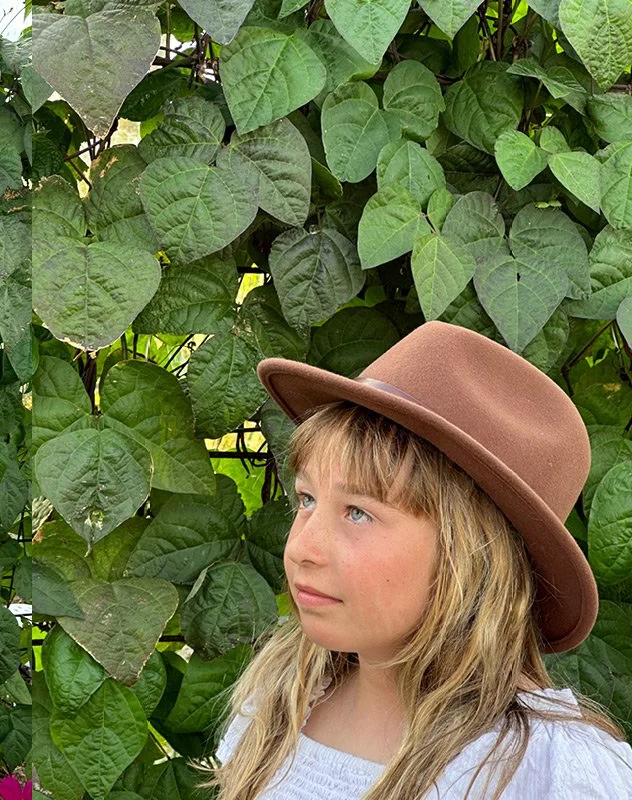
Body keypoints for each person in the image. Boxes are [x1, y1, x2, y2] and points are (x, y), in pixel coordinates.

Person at [214, 321, 632, 799]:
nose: (301, 549)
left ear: (471, 558)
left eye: (358, 513)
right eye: (307, 499)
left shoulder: (540, 772)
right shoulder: (281, 701)